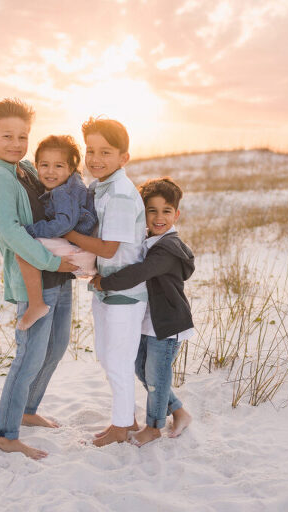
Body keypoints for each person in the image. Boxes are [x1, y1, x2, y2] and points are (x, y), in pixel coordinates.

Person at [0, 98, 78, 460]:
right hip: (36, 277)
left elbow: (62, 181)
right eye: (7, 136)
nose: (16, 143)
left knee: (55, 349)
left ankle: (28, 410)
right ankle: (7, 435)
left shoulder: (25, 167)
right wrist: (52, 262)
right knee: (28, 357)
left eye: (22, 136)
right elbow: (9, 230)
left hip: (59, 276)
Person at [62, 117, 148, 447]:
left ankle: (122, 426)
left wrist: (67, 234)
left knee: (118, 360)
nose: (96, 159)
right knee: (107, 356)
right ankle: (127, 417)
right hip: (105, 286)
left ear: (123, 158)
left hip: (125, 292)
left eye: (106, 152)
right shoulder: (101, 187)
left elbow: (110, 247)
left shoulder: (122, 195)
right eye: (91, 151)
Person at [91, 177, 194, 446]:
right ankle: (179, 411)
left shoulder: (168, 248)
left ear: (176, 214)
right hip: (149, 322)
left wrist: (105, 282)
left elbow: (140, 273)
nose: (159, 217)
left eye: (166, 211)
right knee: (141, 370)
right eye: (152, 211)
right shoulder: (149, 240)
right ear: (143, 213)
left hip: (167, 325)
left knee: (157, 378)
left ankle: (154, 427)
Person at [15, 135, 98, 331]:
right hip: (82, 249)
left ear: (70, 168)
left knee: (26, 251)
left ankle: (36, 305)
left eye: (59, 166)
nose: (50, 172)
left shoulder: (62, 193)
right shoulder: (71, 184)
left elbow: (63, 224)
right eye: (44, 165)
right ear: (36, 166)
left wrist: (31, 230)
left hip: (78, 250)